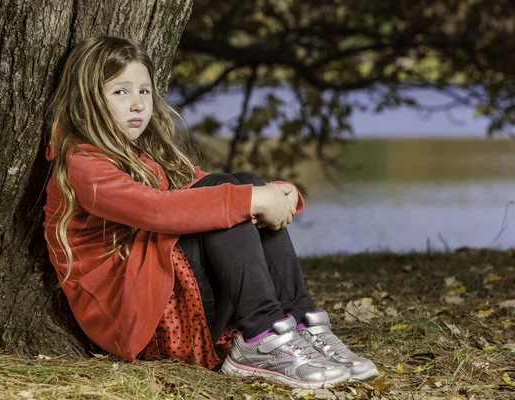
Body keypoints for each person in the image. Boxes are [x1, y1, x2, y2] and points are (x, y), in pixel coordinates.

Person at [43, 35, 378, 389]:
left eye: (144, 91)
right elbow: (158, 211)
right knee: (224, 195)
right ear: (88, 100)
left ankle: (301, 326)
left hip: (165, 289)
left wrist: (279, 193)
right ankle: (261, 335)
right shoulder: (83, 163)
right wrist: (252, 199)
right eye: (120, 92)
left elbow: (209, 190)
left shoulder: (145, 154)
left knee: (238, 184)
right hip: (140, 319)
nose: (138, 105)